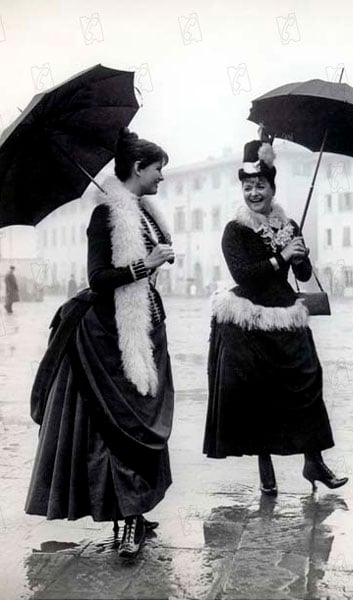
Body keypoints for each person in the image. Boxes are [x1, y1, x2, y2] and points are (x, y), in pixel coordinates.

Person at [25, 128, 175, 559]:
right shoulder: (106, 216)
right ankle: (124, 521)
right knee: (118, 430)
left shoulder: (143, 213)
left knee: (144, 421)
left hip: (144, 329)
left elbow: (142, 270)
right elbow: (98, 278)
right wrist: (144, 265)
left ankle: (139, 509)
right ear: (138, 168)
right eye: (158, 168)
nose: (162, 177)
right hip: (108, 340)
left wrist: (155, 262)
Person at [203, 137, 348, 495]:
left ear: (272, 188)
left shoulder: (288, 225)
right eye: (248, 187)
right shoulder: (235, 230)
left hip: (286, 314)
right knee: (258, 396)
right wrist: (281, 256)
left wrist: (299, 257)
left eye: (261, 186)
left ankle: (313, 461)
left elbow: (300, 276)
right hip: (249, 320)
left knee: (309, 382)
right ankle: (265, 471)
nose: (254, 193)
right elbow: (244, 275)